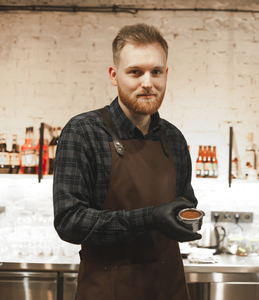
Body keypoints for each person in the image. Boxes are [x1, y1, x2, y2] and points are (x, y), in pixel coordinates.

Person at [53, 23, 201, 300]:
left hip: (168, 288)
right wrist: (151, 218)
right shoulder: (83, 132)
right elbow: (69, 221)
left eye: (156, 72)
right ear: (114, 75)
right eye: (135, 72)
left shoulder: (173, 138)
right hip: (107, 289)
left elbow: (185, 201)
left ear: (166, 74)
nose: (148, 83)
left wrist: (186, 219)